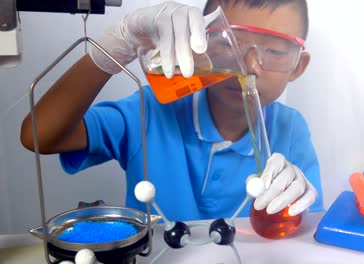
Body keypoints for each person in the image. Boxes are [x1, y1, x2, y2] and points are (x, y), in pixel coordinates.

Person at [20, 0, 323, 221]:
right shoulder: (152, 110)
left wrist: (298, 205)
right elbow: (39, 136)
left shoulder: (291, 130)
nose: (249, 67)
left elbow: (301, 234)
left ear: (299, 66)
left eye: (275, 51)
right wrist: (112, 50)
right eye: (231, 45)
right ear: (199, 44)